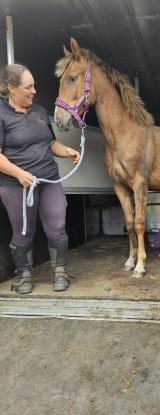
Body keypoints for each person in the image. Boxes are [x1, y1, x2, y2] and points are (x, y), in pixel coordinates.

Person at [0, 63, 80, 294]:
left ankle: (60, 272)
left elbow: (51, 143)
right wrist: (19, 173)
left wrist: (67, 151)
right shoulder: (2, 114)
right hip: (16, 184)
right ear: (11, 88)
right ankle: (24, 275)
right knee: (23, 231)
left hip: (48, 179)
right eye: (29, 87)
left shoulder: (39, 112)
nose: (34, 91)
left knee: (57, 225)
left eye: (34, 86)